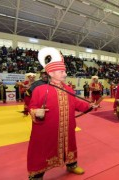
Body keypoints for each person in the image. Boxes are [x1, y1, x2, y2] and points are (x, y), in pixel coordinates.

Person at [27, 47, 96, 180]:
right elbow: (32, 107)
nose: (65, 74)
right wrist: (36, 111)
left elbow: (75, 103)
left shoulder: (68, 88)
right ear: (51, 73)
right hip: (47, 129)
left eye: (64, 71)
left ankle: (71, 164)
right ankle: (37, 174)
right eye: (61, 71)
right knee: (42, 150)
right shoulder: (40, 90)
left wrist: (89, 105)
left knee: (70, 145)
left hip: (67, 127)